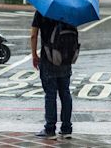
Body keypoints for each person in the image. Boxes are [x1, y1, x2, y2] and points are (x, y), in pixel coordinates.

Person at [31, 11, 73, 140]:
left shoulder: (42, 11)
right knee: (65, 93)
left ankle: (50, 129)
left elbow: (34, 35)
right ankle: (66, 129)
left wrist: (34, 55)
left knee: (50, 94)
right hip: (65, 58)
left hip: (48, 58)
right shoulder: (69, 11)